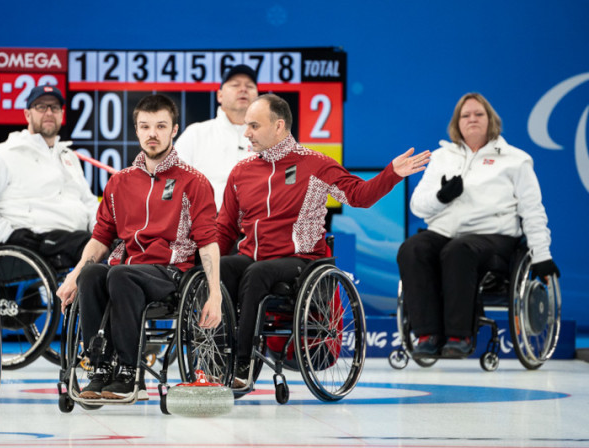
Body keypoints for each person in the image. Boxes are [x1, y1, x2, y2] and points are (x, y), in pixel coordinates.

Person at [217, 94, 430, 387]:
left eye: (254, 126)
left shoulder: (315, 165)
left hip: (300, 261)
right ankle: (218, 356)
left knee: (256, 273)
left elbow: (359, 196)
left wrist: (391, 174)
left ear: (279, 126)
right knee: (220, 268)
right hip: (252, 257)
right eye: (247, 126)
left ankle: (243, 364)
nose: (247, 133)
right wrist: (203, 262)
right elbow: (225, 228)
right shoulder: (241, 172)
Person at [56, 94, 222, 401]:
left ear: (174, 130)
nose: (152, 134)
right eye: (145, 126)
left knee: (120, 275)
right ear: (136, 130)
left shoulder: (193, 182)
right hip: (127, 272)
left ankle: (128, 372)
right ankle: (100, 367)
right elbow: (101, 237)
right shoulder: (120, 182)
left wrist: (214, 294)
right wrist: (74, 274)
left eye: (161, 126)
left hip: (172, 273)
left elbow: (208, 242)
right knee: (92, 274)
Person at [397, 92, 559, 358]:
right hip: (445, 233)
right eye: (465, 115)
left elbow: (533, 210)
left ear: (490, 120)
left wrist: (542, 255)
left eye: (478, 114)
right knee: (412, 248)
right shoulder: (441, 157)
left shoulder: (516, 160)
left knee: (459, 250)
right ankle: (427, 335)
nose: (472, 119)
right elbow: (418, 206)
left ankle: (459, 336)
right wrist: (441, 197)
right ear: (457, 123)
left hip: (494, 239)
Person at [0, 85, 98, 268]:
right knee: (93, 249)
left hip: (75, 240)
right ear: (27, 114)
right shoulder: (1, 155)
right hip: (38, 243)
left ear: (61, 114)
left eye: (55, 108)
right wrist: (8, 234)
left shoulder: (68, 156)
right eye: (41, 107)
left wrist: (104, 233)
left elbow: (89, 204)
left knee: (118, 245)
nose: (49, 112)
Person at [175, 64, 259, 210]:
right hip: (204, 221)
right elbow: (171, 182)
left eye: (250, 86)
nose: (243, 89)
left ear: (257, 98)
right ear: (220, 95)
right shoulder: (195, 134)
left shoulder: (271, 139)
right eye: (235, 85)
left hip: (256, 221)